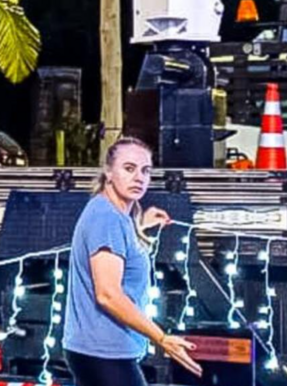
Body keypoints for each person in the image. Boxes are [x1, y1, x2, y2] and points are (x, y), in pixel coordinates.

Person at [62, 136, 202, 386]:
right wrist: (161, 338)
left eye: (145, 171)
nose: (139, 177)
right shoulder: (107, 218)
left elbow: (118, 246)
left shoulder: (115, 215)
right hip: (103, 353)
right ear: (108, 172)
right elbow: (107, 295)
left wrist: (140, 225)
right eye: (129, 168)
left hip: (100, 350)